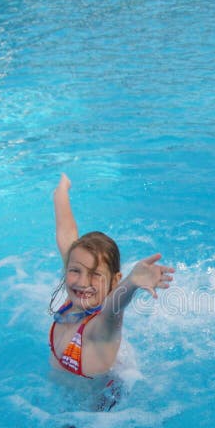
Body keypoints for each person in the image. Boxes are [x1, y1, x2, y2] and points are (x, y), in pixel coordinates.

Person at [49, 173, 174, 407]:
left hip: (102, 406)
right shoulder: (76, 295)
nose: (82, 282)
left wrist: (133, 282)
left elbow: (114, 307)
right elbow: (66, 234)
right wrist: (62, 192)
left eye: (95, 274)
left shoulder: (100, 328)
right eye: (75, 270)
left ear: (114, 280)